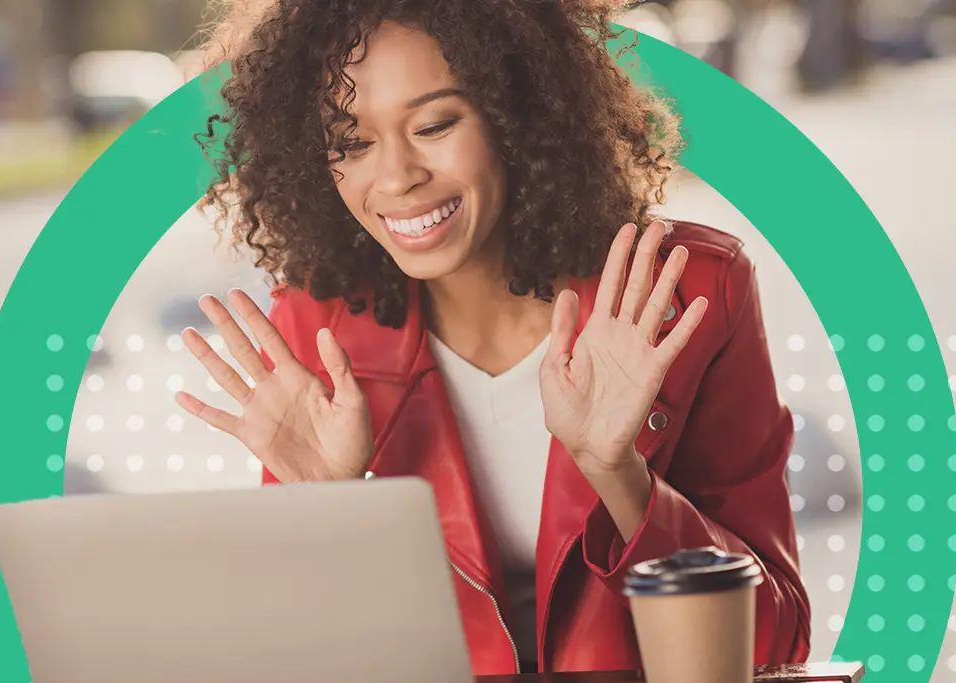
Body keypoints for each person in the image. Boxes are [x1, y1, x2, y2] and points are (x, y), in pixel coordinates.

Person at [175, 0, 811, 675]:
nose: (395, 178)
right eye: (352, 142)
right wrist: (332, 509)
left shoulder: (692, 294)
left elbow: (776, 641)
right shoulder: (317, 329)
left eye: (434, 124)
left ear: (519, 114)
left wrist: (619, 475)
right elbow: (303, 659)